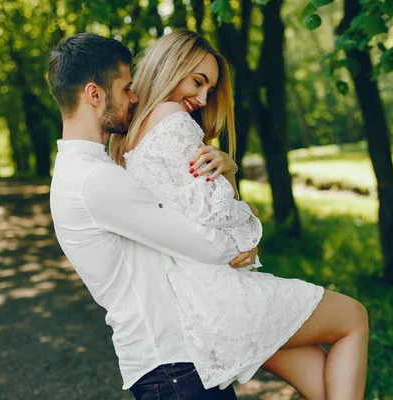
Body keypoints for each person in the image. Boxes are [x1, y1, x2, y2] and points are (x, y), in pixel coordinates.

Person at [109, 29, 369, 400]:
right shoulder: (171, 119)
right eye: (198, 82)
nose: (201, 99)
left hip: (196, 309)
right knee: (353, 318)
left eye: (209, 91)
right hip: (224, 298)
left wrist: (229, 177)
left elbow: (197, 212)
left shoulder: (128, 138)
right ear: (169, 66)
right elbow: (220, 213)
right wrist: (244, 205)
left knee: (324, 380)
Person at [47, 32, 250, 399]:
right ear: (94, 95)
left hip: (175, 362)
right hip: (172, 368)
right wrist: (242, 242)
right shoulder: (95, 181)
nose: (136, 97)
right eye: (126, 89)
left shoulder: (89, 170)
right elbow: (202, 243)